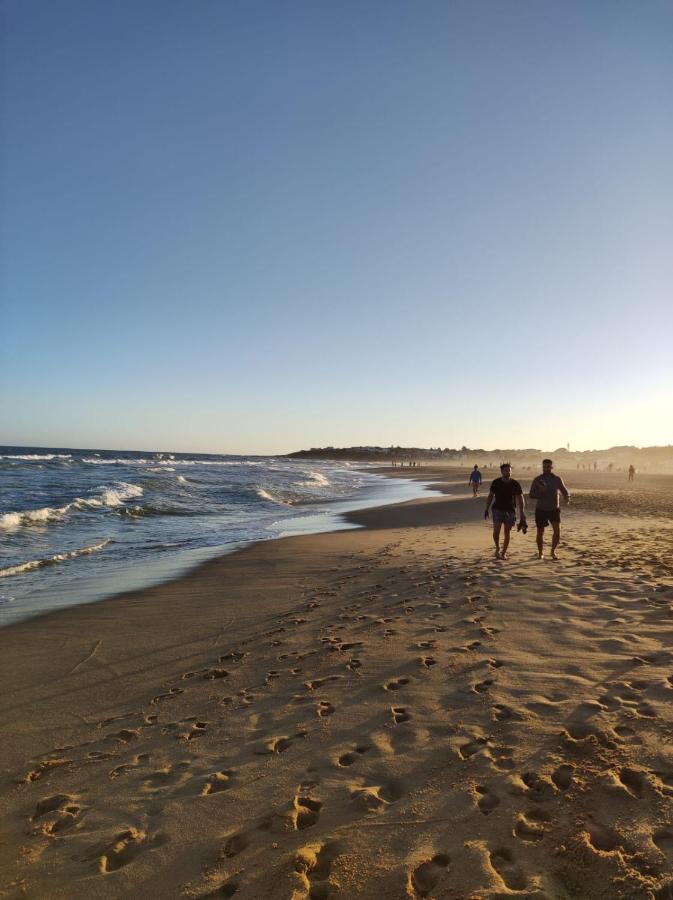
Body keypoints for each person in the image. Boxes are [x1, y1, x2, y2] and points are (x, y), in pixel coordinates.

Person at [529, 459, 570, 560]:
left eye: (548, 467)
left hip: (554, 509)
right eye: (544, 467)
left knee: (557, 531)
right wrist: (541, 492)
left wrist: (566, 497)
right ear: (542, 467)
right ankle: (540, 552)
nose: (546, 468)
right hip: (541, 509)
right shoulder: (537, 479)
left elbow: (564, 490)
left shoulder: (557, 479)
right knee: (540, 532)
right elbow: (531, 494)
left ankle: (553, 551)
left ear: (552, 467)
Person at [484, 463, 526, 559]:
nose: (508, 472)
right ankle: (498, 548)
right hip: (497, 510)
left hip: (510, 511)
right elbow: (490, 496)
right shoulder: (496, 482)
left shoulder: (515, 484)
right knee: (496, 532)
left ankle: (503, 553)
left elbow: (520, 498)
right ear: (502, 472)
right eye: (506, 470)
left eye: (509, 470)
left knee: (507, 533)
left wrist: (522, 512)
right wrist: (486, 508)